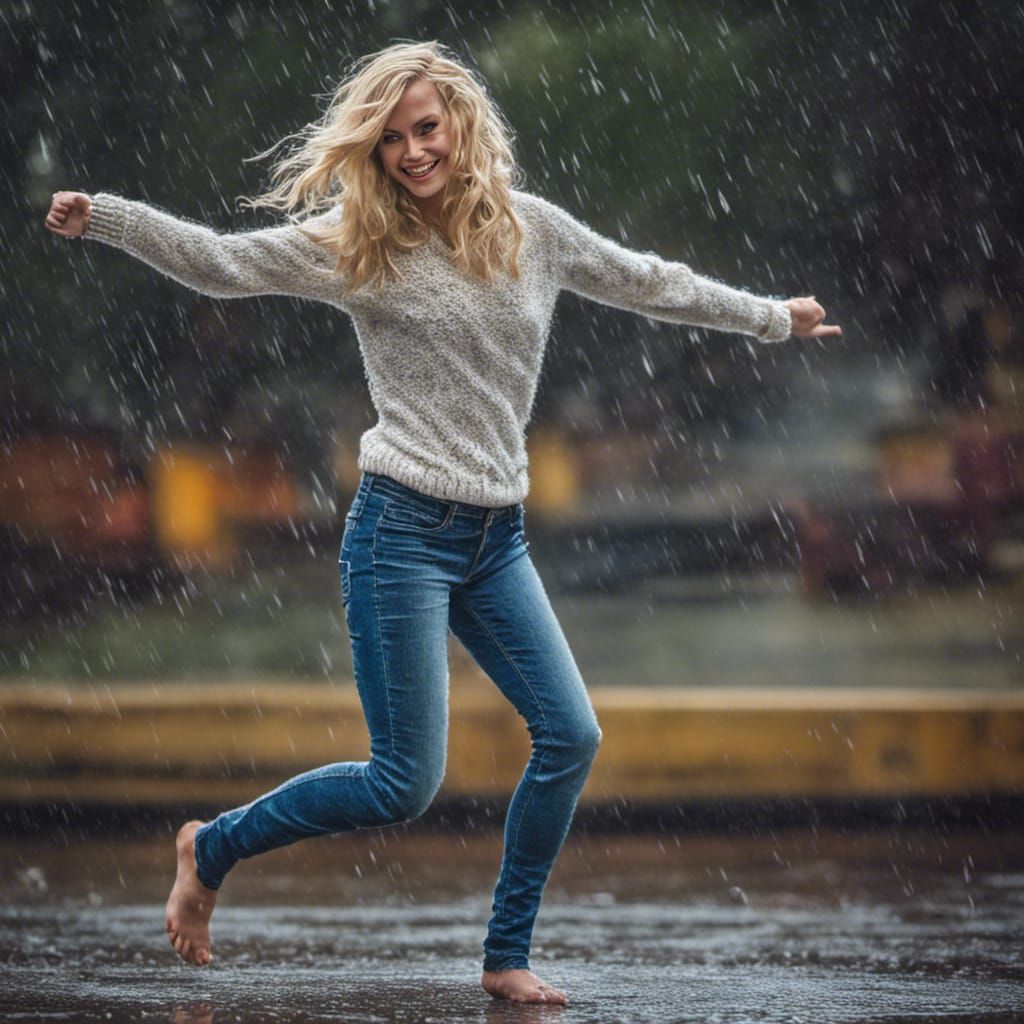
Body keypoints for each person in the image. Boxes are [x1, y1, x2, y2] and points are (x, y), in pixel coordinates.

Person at [44, 40, 842, 1005]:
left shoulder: (531, 231)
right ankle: (210, 849)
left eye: (427, 129)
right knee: (403, 783)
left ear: (462, 123)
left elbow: (648, 279)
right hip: (401, 534)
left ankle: (506, 955)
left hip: (495, 539)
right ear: (374, 153)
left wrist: (771, 317)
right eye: (392, 141)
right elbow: (222, 265)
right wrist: (110, 221)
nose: (414, 152)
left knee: (571, 736)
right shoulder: (358, 246)